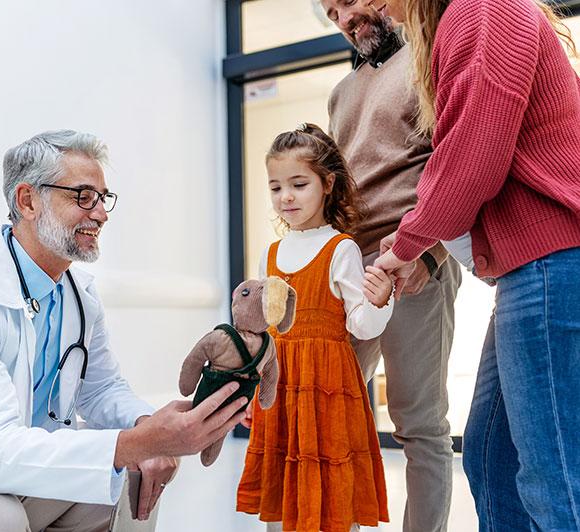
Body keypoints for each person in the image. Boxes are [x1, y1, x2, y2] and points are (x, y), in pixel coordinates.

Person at [0, 130, 248, 532]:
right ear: (28, 200)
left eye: (103, 198)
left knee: (130, 476)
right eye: (83, 196)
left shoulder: (78, 296)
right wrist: (141, 442)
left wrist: (148, 423)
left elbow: (103, 390)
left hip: (15, 467)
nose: (101, 214)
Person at [371, 0, 580, 529]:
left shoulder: (482, 8)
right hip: (531, 274)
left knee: (554, 480)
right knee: (491, 461)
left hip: (551, 267)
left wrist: (407, 245)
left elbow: (472, 155)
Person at [319, 1, 462, 530]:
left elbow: (455, 163)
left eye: (349, 3)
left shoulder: (429, 58)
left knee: (419, 425)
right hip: (350, 270)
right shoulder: (342, 92)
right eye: (332, 12)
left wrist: (431, 251)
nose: (344, 19)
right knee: (336, 416)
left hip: (415, 262)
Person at [236, 123, 393, 532]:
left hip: (326, 387)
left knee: (330, 486)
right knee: (284, 487)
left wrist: (381, 301)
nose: (285, 197)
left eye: (298, 184)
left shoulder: (340, 247)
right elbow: (261, 334)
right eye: (275, 187)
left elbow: (360, 324)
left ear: (326, 184)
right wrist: (253, 391)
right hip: (282, 387)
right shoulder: (270, 254)